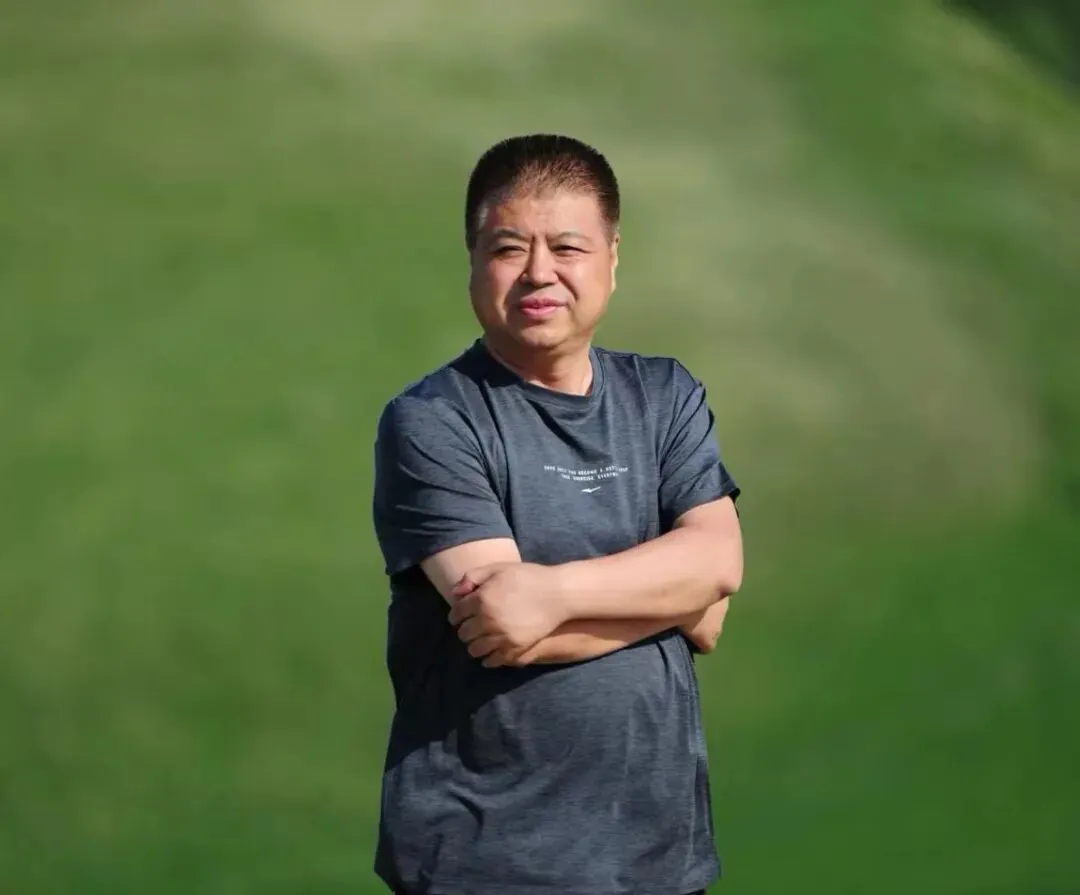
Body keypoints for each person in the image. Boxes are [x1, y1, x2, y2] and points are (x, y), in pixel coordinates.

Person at [371, 133, 743, 895]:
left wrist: (554, 592)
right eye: (510, 248)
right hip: (486, 861)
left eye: (567, 246)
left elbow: (718, 566)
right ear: (473, 260)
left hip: (659, 862)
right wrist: (674, 596)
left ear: (612, 257)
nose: (539, 271)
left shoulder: (664, 395)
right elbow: (507, 627)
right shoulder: (432, 421)